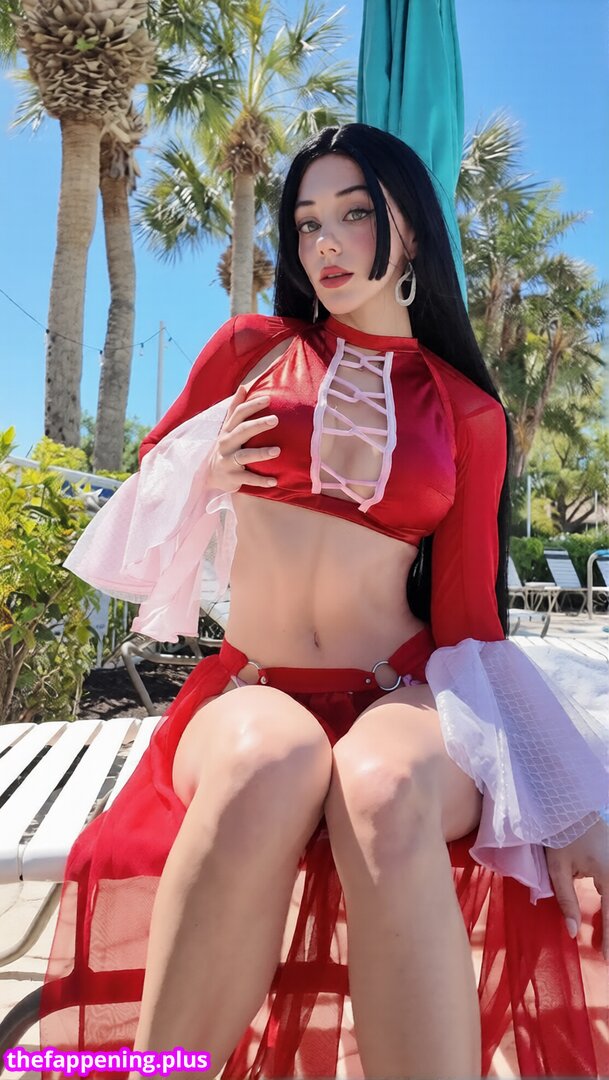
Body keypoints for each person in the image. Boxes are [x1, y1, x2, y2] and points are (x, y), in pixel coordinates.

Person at [42, 124, 609, 1080]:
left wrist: (558, 796)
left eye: (355, 214)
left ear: (411, 230)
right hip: (253, 686)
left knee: (380, 787)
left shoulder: (467, 410)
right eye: (307, 223)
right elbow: (141, 502)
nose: (326, 244)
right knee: (272, 760)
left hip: (403, 693)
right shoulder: (248, 351)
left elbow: (470, 622)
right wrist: (201, 470)